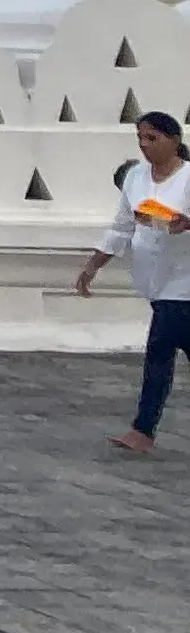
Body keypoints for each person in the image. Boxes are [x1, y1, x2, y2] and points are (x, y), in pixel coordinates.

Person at [77, 108, 190, 453]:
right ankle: (143, 431)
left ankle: (143, 431)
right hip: (156, 282)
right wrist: (94, 264)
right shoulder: (136, 178)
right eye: (140, 138)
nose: (145, 145)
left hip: (184, 285)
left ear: (173, 141)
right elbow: (123, 226)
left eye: (152, 138)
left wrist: (182, 222)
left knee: (159, 350)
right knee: (163, 351)